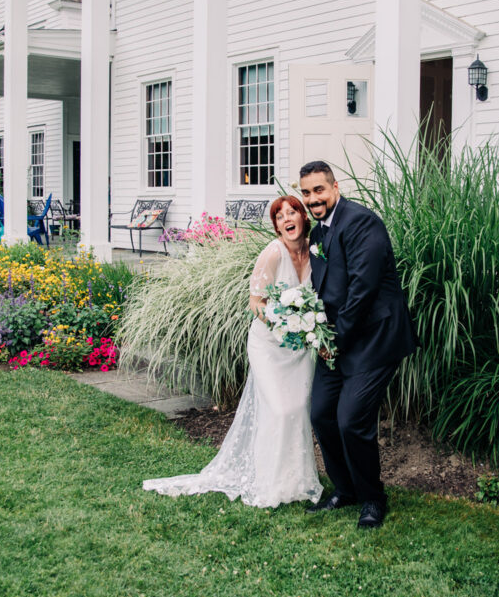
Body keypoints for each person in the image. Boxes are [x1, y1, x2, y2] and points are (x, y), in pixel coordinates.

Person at [142, 196, 323, 509]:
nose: (286, 219)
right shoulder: (272, 252)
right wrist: (285, 323)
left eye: (292, 212)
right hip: (269, 345)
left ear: (303, 218)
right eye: (280, 217)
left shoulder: (316, 251)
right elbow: (256, 303)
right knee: (278, 409)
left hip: (299, 346)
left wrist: (303, 327)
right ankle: (268, 482)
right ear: (276, 226)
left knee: (296, 409)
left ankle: (297, 480)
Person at [299, 160, 418, 529]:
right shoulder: (319, 234)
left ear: (336, 187)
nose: (313, 199)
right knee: (320, 412)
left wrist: (333, 340)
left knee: (351, 420)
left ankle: (372, 498)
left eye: (319, 190)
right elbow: (326, 291)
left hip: (373, 338)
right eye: (306, 192)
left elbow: (362, 292)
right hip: (337, 337)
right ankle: (345, 489)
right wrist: (315, 330)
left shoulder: (361, 222)